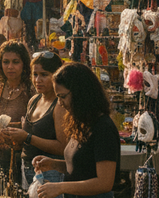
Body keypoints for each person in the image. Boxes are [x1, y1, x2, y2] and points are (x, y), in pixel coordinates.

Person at [32, 62, 120, 198]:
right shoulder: (81, 122)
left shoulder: (103, 128)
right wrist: (54, 164)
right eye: (57, 97)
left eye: (62, 96)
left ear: (80, 94)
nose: (59, 103)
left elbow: (104, 183)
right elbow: (82, 167)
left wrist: (60, 187)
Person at [5, 51, 68, 188]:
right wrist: (10, 133)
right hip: (27, 168)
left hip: (50, 173)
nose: (38, 80)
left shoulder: (59, 105)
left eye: (44, 75)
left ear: (56, 76)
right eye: (35, 74)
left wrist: (27, 137)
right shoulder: (34, 100)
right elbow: (32, 131)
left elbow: (62, 147)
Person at [0, 41, 33, 184]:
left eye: (15, 62)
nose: (10, 67)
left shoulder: (31, 91)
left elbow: (35, 128)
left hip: (20, 160)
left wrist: (10, 132)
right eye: (6, 62)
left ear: (24, 64)